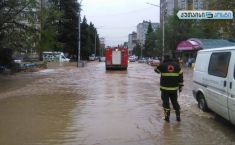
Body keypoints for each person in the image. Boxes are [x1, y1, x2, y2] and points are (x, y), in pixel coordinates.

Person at [154, 54, 184, 122]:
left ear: (164, 58)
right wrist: (181, 86)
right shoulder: (177, 65)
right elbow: (181, 76)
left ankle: (167, 118)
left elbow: (156, 70)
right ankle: (178, 117)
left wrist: (161, 64)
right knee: (175, 102)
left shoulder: (162, 65)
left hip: (165, 89)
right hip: (174, 89)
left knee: (166, 103)